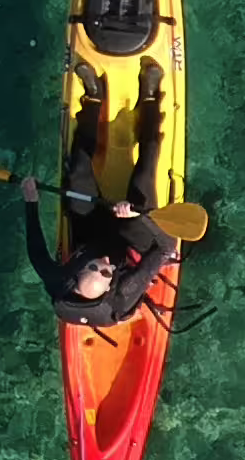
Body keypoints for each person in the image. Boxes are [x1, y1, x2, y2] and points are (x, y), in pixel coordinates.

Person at [26, 60, 177, 331]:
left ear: (77, 273)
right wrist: (139, 217)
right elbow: (168, 247)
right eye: (106, 272)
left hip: (92, 233)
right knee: (145, 173)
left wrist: (30, 201)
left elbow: (36, 252)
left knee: (78, 170)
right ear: (110, 283)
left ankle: (93, 98)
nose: (104, 264)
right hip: (131, 241)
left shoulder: (59, 280)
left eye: (93, 266)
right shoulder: (125, 291)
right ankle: (151, 98)